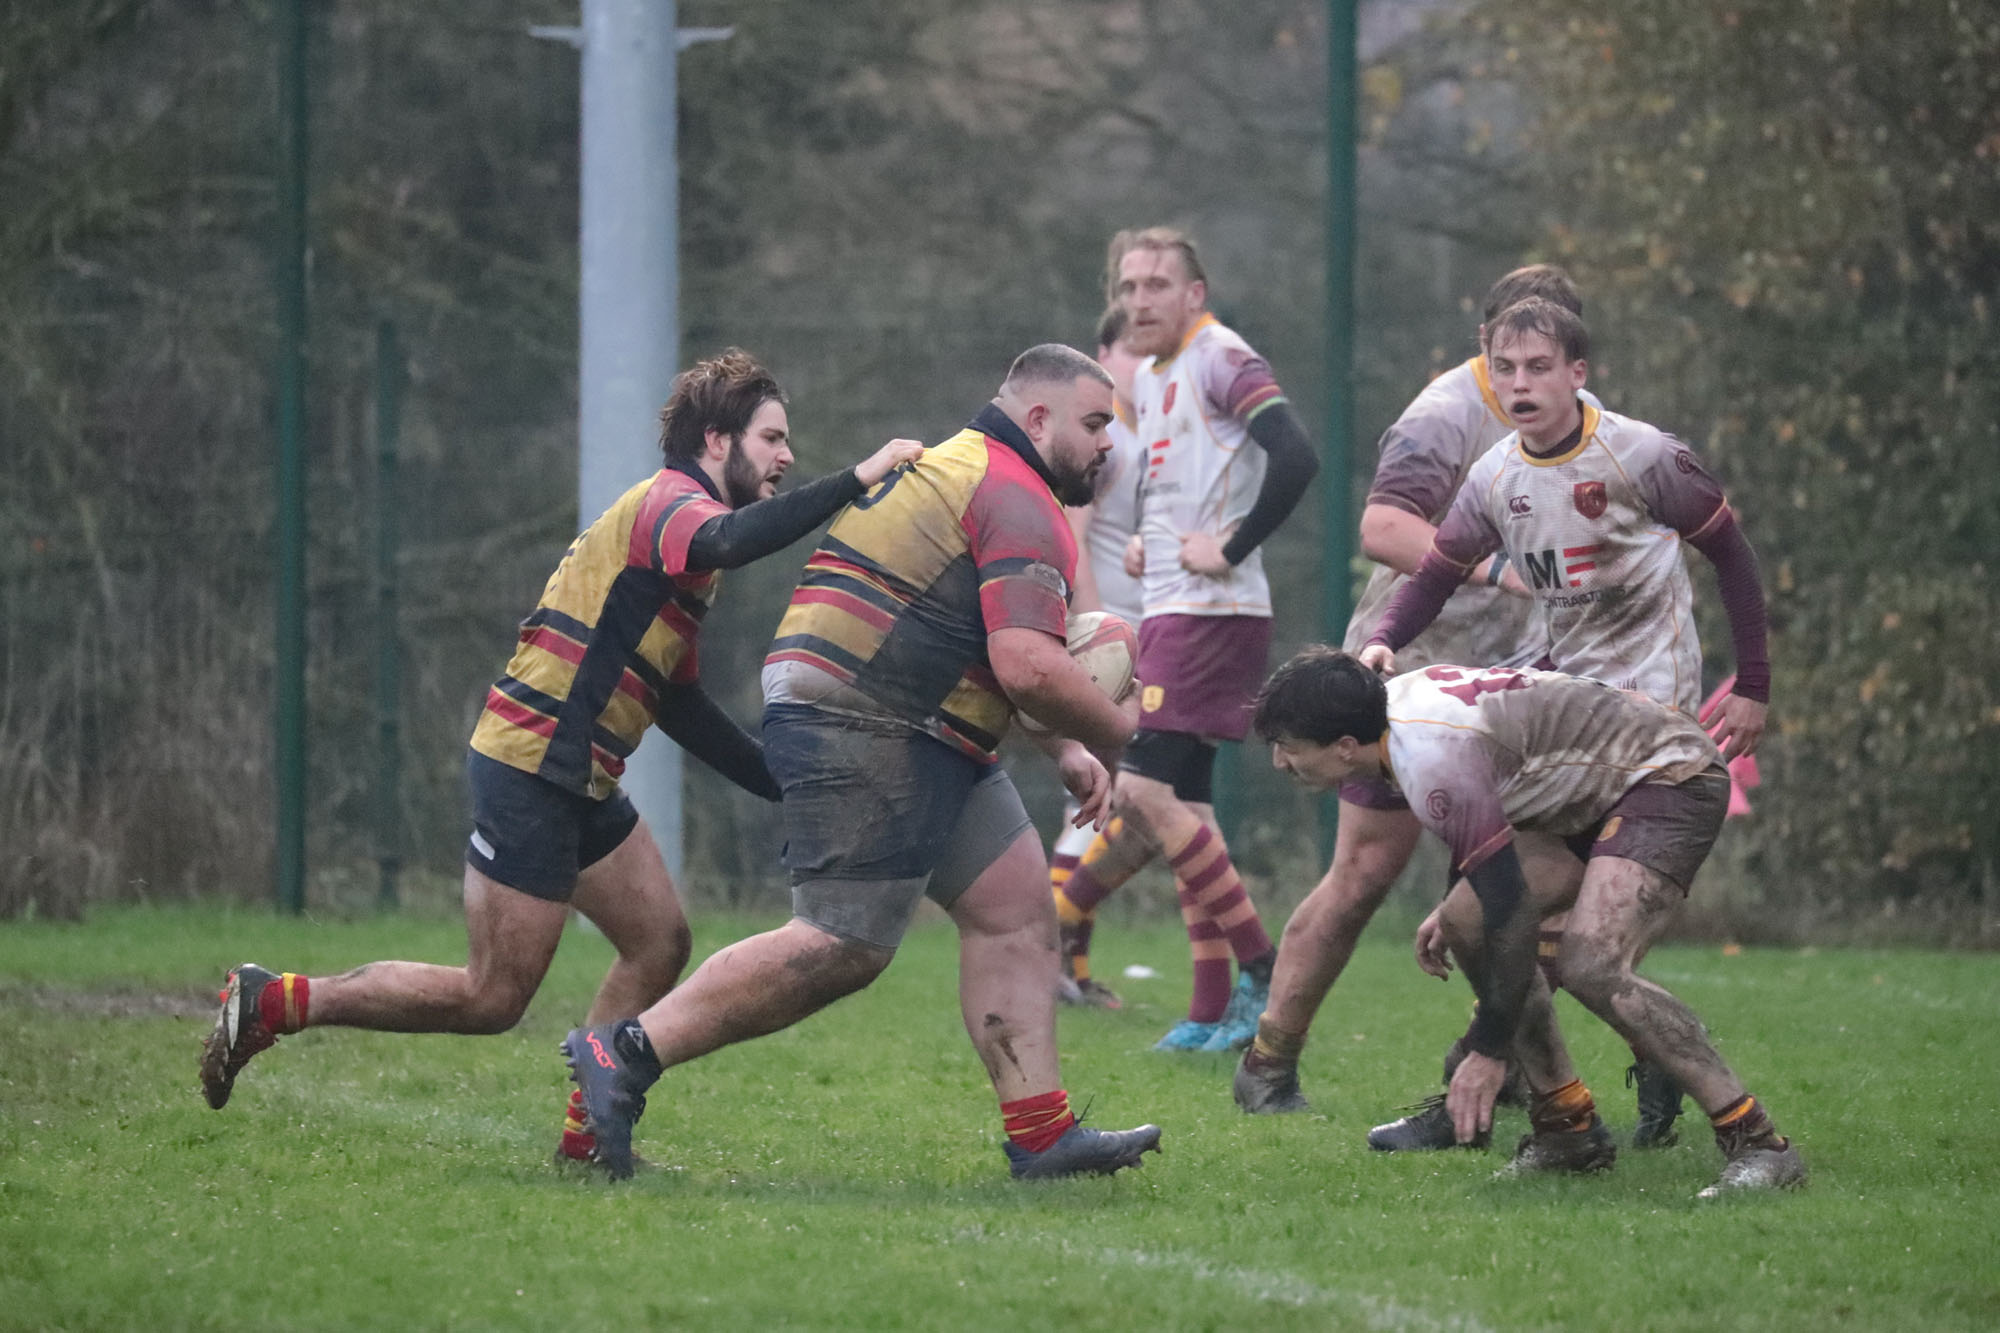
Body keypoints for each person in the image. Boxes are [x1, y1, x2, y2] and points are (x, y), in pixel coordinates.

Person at [199, 350, 924, 1165]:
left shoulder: (686, 556)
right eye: (773, 437)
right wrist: (857, 478)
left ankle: (587, 1138)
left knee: (659, 941)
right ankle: (275, 1000)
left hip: (578, 773)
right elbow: (729, 539)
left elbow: (677, 700)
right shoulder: (671, 506)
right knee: (491, 996)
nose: (787, 455)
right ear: (717, 441)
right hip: (533, 763)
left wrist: (784, 783)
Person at [562, 344, 1163, 1182]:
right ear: (1038, 419)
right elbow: (1027, 663)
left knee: (1015, 908)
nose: (1107, 444)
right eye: (1095, 423)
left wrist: (1064, 743)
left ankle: (1041, 1133)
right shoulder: (1015, 494)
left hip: (917, 718)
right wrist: (1127, 738)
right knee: (842, 941)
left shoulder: (968, 467)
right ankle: (625, 1049)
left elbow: (982, 644)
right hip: (867, 714)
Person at [1237, 293, 1771, 1155]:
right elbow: (1437, 569)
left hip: (1649, 724)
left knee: (1562, 945)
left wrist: (1754, 684)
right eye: (1506, 368)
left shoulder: (1640, 454)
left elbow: (1732, 554)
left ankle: (1534, 1076)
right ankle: (1562, 1111)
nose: (1520, 384)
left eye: (1539, 367)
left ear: (1577, 372)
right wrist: (1384, 637)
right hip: (1562, 716)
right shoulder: (1495, 475)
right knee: (1481, 921)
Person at [1253, 648, 1806, 1198]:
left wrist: (1488, 1051)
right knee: (1464, 921)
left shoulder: (1427, 758)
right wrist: (1463, 901)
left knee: (1590, 964)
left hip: (1670, 775)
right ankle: (1567, 1128)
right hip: (1595, 789)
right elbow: (1493, 855)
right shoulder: (1392, 721)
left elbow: (1512, 912)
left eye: (1289, 747)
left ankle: (1758, 1142)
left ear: (1345, 746)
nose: (1280, 762)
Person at [1053, 227, 1320, 1052]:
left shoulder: (1219, 356)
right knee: (1187, 809)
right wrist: (1152, 542)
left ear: (1194, 294)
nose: (1139, 300)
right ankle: (1210, 1011)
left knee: (1143, 793)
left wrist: (1231, 546)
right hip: (1176, 604)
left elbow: (1295, 454)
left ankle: (1259, 967)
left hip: (1213, 611)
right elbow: (1191, 485)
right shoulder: (1156, 375)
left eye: (1157, 285)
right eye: (1129, 286)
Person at [1049, 303, 1147, 1010]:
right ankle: (1056, 961)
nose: (1149, 364)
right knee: (1115, 801)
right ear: (1104, 356)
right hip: (1109, 640)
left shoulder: (1149, 434)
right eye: (1133, 348)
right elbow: (1072, 534)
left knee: (1110, 806)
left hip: (1139, 634)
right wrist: (1093, 630)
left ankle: (1068, 967)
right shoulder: (1105, 438)